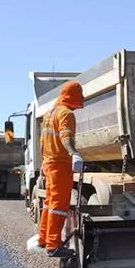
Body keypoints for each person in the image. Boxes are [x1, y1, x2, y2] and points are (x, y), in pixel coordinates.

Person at [32, 81, 85, 257]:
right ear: (73, 95)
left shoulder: (50, 113)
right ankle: (53, 245)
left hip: (49, 163)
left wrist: (43, 162)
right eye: (80, 94)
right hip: (60, 165)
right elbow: (65, 136)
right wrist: (74, 153)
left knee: (49, 204)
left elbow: (42, 141)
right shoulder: (66, 113)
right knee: (59, 205)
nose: (83, 98)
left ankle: (43, 239)